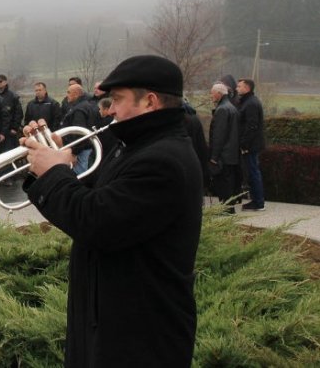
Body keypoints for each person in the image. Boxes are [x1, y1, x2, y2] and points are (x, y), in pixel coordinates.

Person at [21, 54, 202, 368]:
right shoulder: (134, 148)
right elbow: (95, 199)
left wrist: (53, 173)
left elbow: (95, 221)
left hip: (140, 337)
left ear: (150, 102)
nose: (110, 109)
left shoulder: (163, 161)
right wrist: (53, 162)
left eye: (117, 99)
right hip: (113, 321)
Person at [208, 82, 241, 209]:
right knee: (229, 182)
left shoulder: (222, 109)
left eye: (212, 93)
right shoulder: (232, 107)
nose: (211, 95)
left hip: (223, 155)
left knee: (223, 184)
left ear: (219, 94)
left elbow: (219, 136)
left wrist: (214, 157)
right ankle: (228, 208)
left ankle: (226, 210)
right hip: (232, 153)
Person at [237, 78, 266, 211]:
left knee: (253, 172)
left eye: (239, 86)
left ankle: (258, 202)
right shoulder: (248, 102)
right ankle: (256, 200)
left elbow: (251, 126)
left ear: (247, 88)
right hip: (251, 144)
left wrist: (244, 144)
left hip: (251, 145)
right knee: (252, 171)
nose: (237, 88)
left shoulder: (251, 104)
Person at [58, 83, 95, 175]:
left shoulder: (79, 109)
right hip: (83, 148)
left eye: (69, 92)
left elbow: (79, 134)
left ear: (76, 94)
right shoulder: (84, 105)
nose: (67, 95)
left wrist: (74, 153)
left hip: (80, 151)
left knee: (79, 176)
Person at [0, 74, 23, 154]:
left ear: (5, 82)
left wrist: (14, 128)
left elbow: (18, 113)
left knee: (8, 154)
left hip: (9, 132)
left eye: (0, 81)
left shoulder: (13, 96)